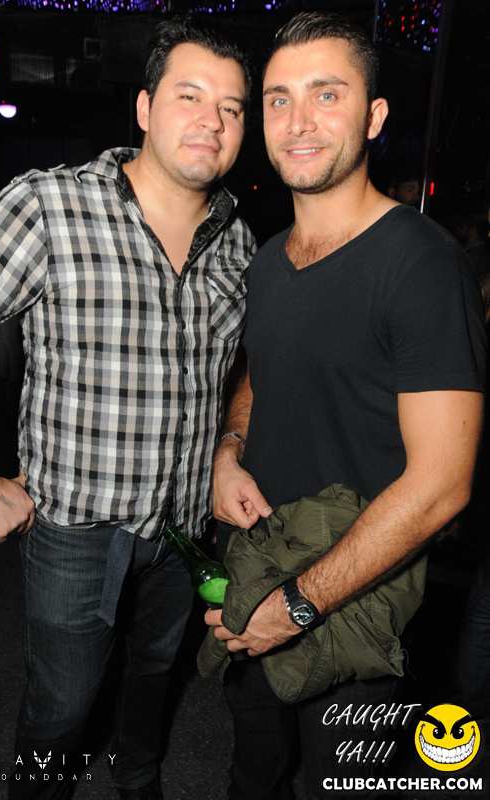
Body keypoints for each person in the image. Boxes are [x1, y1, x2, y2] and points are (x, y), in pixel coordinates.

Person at [0, 15, 254, 800]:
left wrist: (227, 448)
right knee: (60, 708)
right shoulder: (49, 205)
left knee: (152, 679)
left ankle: (139, 779)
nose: (212, 120)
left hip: (183, 535)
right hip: (76, 534)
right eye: (190, 96)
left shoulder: (237, 241)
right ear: (145, 107)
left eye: (231, 107)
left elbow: (242, 368)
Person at [207, 11, 485, 800]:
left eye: (326, 94)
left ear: (374, 116)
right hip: (259, 566)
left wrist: (297, 606)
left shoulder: (422, 265)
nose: (298, 121)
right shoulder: (268, 262)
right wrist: (229, 449)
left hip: (354, 600)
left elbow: (442, 485)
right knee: (252, 770)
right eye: (279, 99)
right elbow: (262, 371)